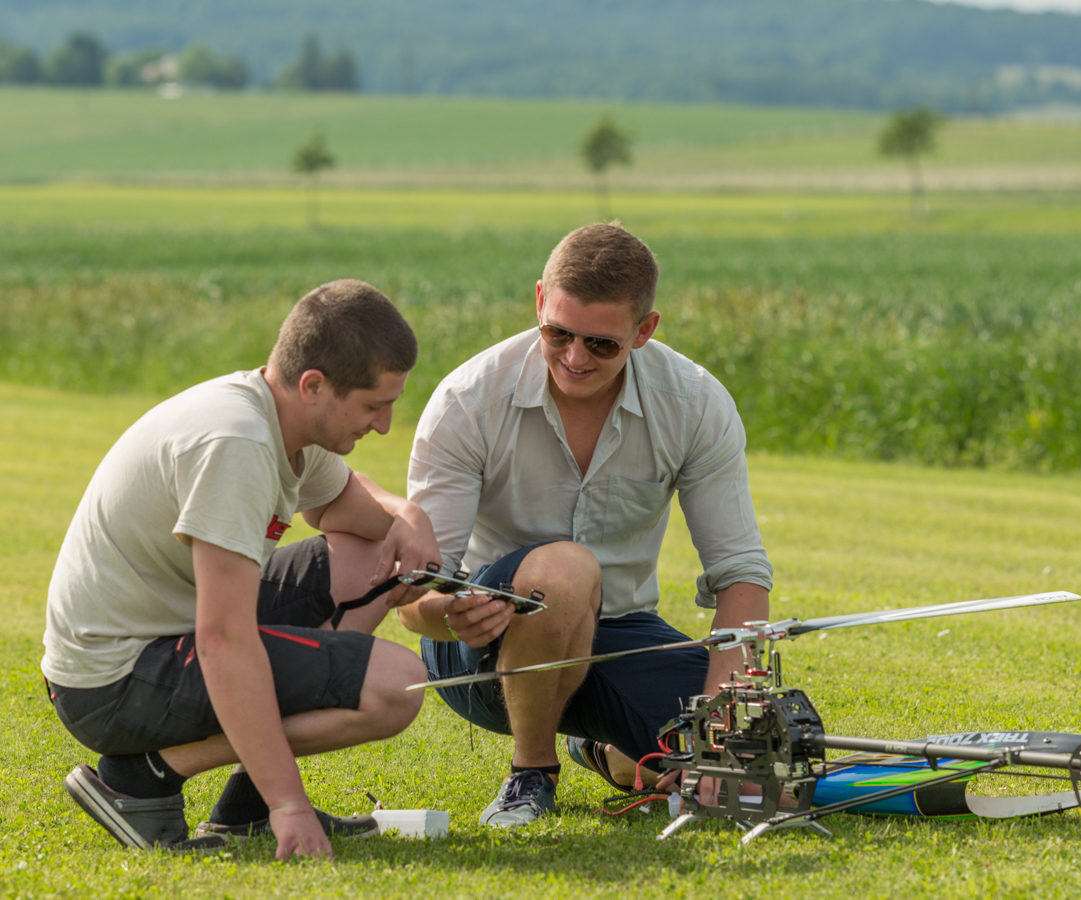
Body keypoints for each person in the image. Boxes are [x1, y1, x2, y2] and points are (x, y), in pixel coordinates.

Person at [42, 279, 438, 859]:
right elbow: (224, 639)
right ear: (314, 385)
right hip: (112, 681)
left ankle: (245, 807)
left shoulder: (279, 417)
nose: (384, 424)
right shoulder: (237, 444)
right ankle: (145, 778)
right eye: (375, 405)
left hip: (162, 641)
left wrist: (410, 518)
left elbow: (344, 510)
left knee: (368, 560)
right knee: (394, 687)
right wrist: (292, 806)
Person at [401, 222, 773, 828]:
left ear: (645, 330)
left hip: (621, 636)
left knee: (763, 762)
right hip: (479, 655)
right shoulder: (466, 399)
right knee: (566, 567)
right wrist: (449, 613)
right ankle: (531, 772)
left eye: (601, 345)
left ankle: (612, 753)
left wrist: (717, 717)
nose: (575, 358)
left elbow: (741, 574)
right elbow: (415, 593)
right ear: (540, 301)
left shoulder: (696, 402)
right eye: (558, 334)